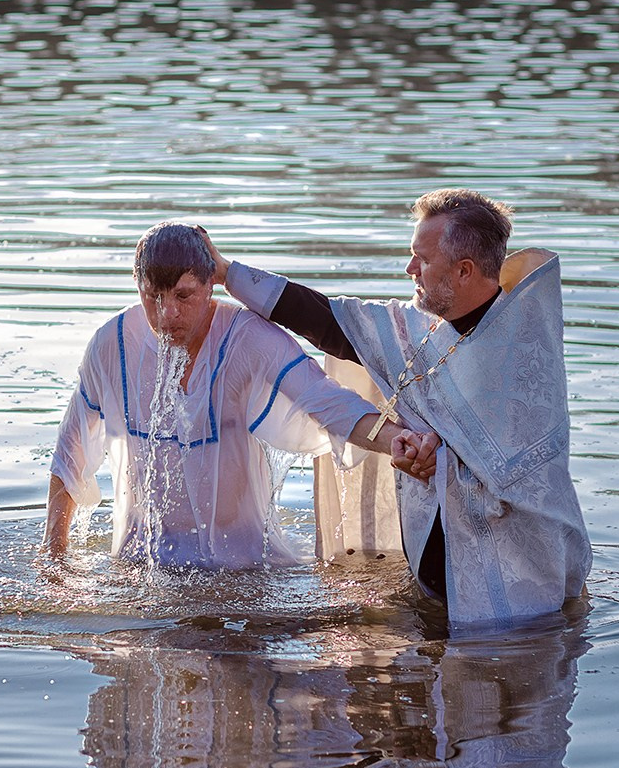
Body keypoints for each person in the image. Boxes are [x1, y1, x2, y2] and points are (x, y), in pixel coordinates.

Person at [210, 189, 591, 628]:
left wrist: (432, 455)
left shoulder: (522, 349)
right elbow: (329, 322)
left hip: (521, 607)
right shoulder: (424, 330)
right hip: (435, 596)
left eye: (422, 261)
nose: (409, 269)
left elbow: (504, 469)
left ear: (464, 271)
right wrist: (226, 273)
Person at [45, 222, 438, 568]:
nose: (168, 315)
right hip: (140, 561)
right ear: (137, 287)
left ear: (209, 284)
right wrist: (54, 560)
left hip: (241, 566)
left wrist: (397, 441)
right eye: (153, 297)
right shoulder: (111, 344)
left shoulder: (248, 339)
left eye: (183, 296)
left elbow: (330, 403)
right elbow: (69, 453)